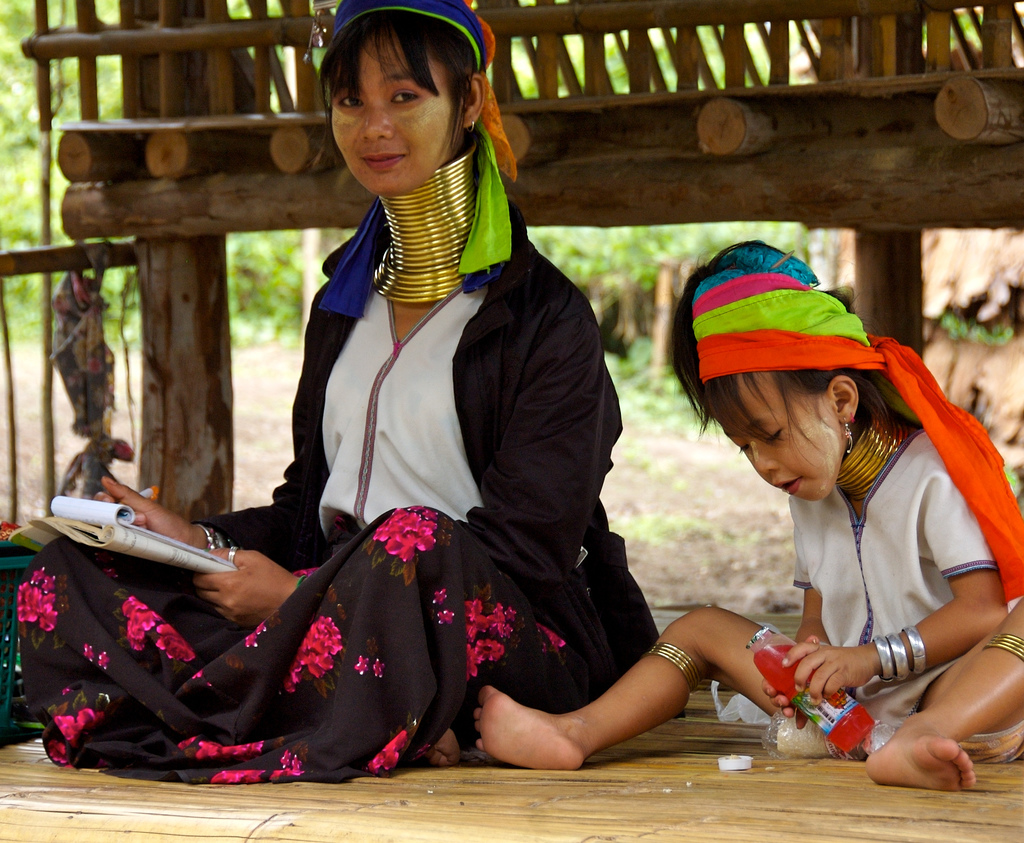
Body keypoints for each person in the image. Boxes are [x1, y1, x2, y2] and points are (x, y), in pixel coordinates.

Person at [15, 0, 656, 784]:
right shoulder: (344, 304)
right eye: (351, 100)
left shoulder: (543, 317)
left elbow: (528, 551)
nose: (372, 125)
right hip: (332, 615)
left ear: (472, 104)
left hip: (504, 636)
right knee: (67, 575)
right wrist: (194, 539)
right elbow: (306, 508)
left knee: (412, 540)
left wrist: (297, 598)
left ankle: (339, 710)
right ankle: (362, 717)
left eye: (404, 97)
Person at [473, 241, 1024, 774]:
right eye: (746, 447)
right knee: (698, 628)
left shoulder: (930, 471)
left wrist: (869, 660)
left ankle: (922, 741)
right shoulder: (809, 482)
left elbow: (983, 611)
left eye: (771, 435)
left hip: (953, 698)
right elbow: (818, 608)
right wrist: (810, 660)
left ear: (841, 399)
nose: (764, 464)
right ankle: (574, 734)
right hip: (848, 710)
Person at [865, 602, 1024, 790]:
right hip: (961, 704)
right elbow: (982, 611)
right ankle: (922, 730)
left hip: (949, 713)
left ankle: (916, 738)